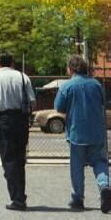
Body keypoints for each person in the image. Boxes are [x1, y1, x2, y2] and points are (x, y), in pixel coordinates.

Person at [54, 54, 111, 213]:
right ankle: (105, 187)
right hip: (97, 132)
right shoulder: (96, 84)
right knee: (99, 162)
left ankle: (78, 199)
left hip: (76, 133)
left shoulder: (67, 86)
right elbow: (102, 103)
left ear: (71, 68)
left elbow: (59, 107)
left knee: (77, 167)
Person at [0, 53, 36, 211]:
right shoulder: (23, 76)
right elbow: (32, 101)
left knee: (9, 159)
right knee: (20, 159)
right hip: (21, 119)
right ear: (12, 63)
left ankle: (17, 199)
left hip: (4, 119)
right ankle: (21, 195)